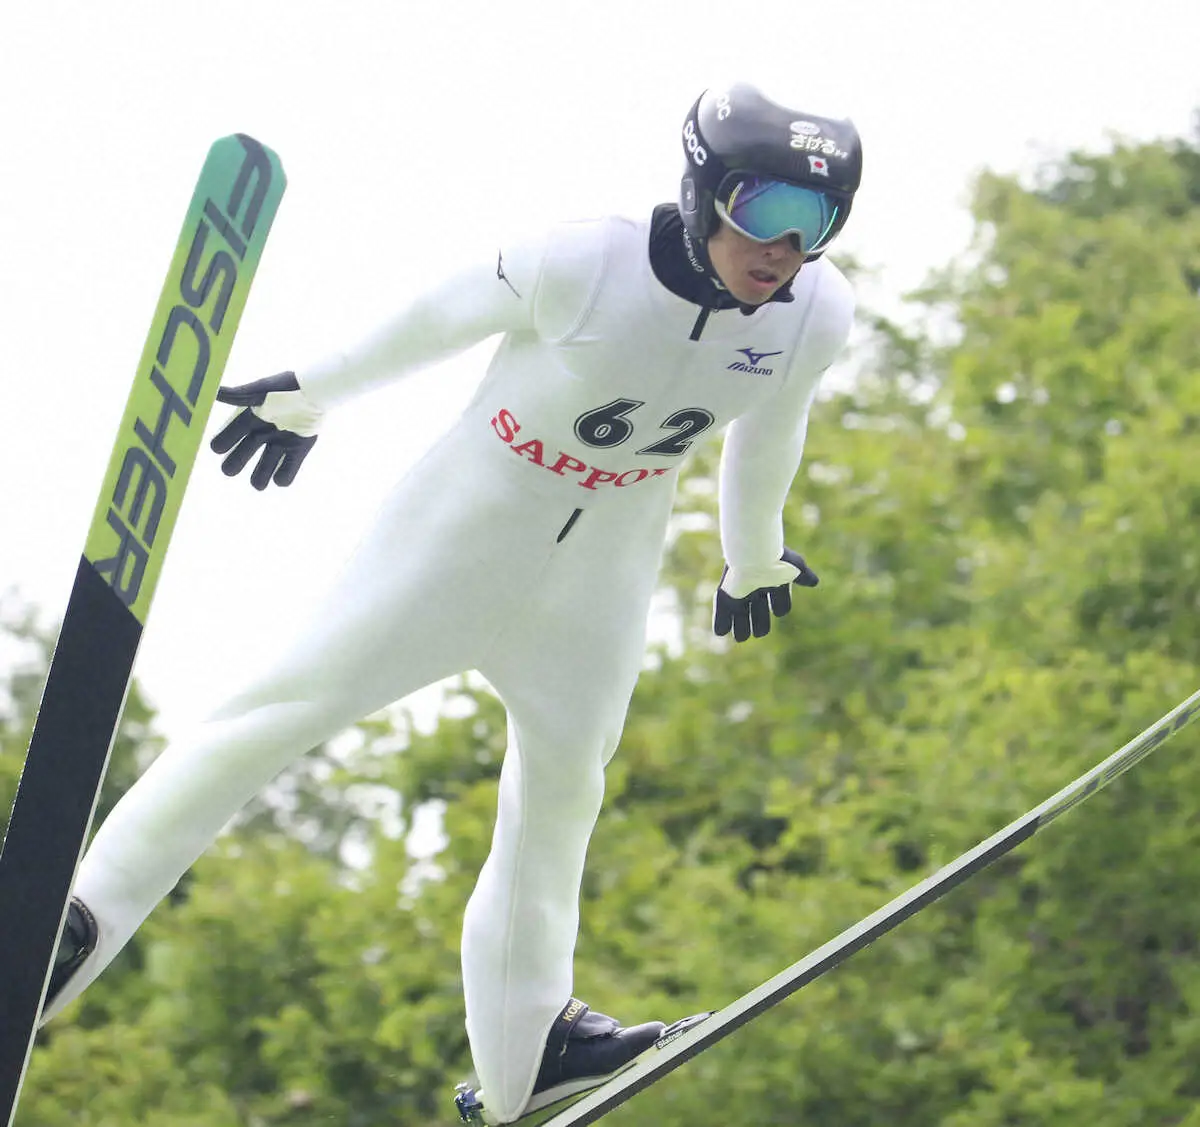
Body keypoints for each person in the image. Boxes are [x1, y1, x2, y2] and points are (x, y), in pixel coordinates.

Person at [43, 82, 862, 1124]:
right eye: (764, 208)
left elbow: (769, 438)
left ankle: (528, 1055)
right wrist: (315, 389)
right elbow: (436, 315)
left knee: (562, 796)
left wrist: (754, 559)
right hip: (454, 546)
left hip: (599, 579)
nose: (783, 247)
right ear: (702, 187)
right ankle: (75, 917)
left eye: (816, 222)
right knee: (274, 712)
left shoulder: (812, 319)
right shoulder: (584, 258)